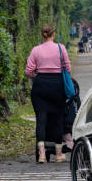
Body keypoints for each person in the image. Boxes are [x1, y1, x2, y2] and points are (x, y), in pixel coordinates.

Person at [25, 23, 72, 163]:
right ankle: (58, 154)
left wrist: (38, 77)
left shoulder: (36, 50)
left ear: (42, 35)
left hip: (40, 86)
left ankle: (42, 155)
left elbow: (29, 71)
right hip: (57, 86)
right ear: (54, 34)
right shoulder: (60, 48)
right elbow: (67, 69)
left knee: (41, 120)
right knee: (57, 120)